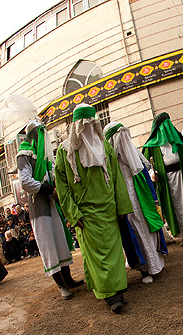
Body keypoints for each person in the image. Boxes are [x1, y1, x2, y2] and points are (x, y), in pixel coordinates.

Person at [55, 104, 133, 313]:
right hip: (86, 215)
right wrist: (73, 213)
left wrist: (122, 207)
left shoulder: (104, 147)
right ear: (76, 126)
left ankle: (112, 287)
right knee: (96, 254)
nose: (88, 128)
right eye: (84, 124)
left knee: (114, 253)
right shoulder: (65, 152)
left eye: (92, 123)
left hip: (109, 210)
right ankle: (112, 295)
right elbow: (62, 189)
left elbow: (117, 179)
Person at [17, 120, 84, 300]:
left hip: (53, 205)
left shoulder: (45, 157)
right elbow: (25, 181)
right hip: (40, 209)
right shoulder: (24, 154)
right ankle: (61, 285)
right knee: (48, 245)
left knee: (60, 242)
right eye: (41, 134)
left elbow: (53, 174)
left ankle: (68, 279)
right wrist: (48, 189)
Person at [104, 121, 168, 283]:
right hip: (127, 199)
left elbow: (143, 167)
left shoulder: (133, 153)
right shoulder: (110, 159)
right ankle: (145, 268)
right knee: (136, 230)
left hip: (141, 196)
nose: (125, 140)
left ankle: (156, 264)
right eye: (120, 137)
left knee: (148, 227)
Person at [142, 112, 183, 247]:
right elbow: (147, 165)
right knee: (178, 207)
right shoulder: (152, 146)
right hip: (169, 181)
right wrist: (152, 174)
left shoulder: (179, 139)